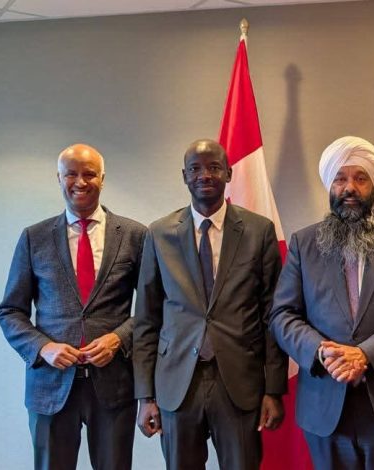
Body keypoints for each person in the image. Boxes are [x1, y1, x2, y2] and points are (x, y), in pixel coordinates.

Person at [268, 136, 374, 470]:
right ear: (329, 185)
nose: (350, 188)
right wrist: (321, 351)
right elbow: (283, 315)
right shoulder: (304, 243)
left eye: (360, 178)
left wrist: (366, 355)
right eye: (340, 179)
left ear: (373, 185)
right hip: (325, 403)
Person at [133, 139, 287, 470]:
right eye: (195, 168)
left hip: (239, 382)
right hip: (177, 383)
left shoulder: (258, 231)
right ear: (184, 176)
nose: (204, 175)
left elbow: (272, 315)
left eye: (214, 167)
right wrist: (145, 396)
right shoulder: (159, 234)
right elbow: (146, 319)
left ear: (228, 174)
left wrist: (274, 389)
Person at [0, 143, 146, 470]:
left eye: (89, 174)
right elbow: (10, 311)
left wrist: (119, 338)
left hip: (114, 386)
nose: (80, 182)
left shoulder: (135, 235)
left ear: (102, 179)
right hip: (50, 387)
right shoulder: (34, 237)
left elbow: (154, 309)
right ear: (59, 178)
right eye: (71, 174)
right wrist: (43, 347)